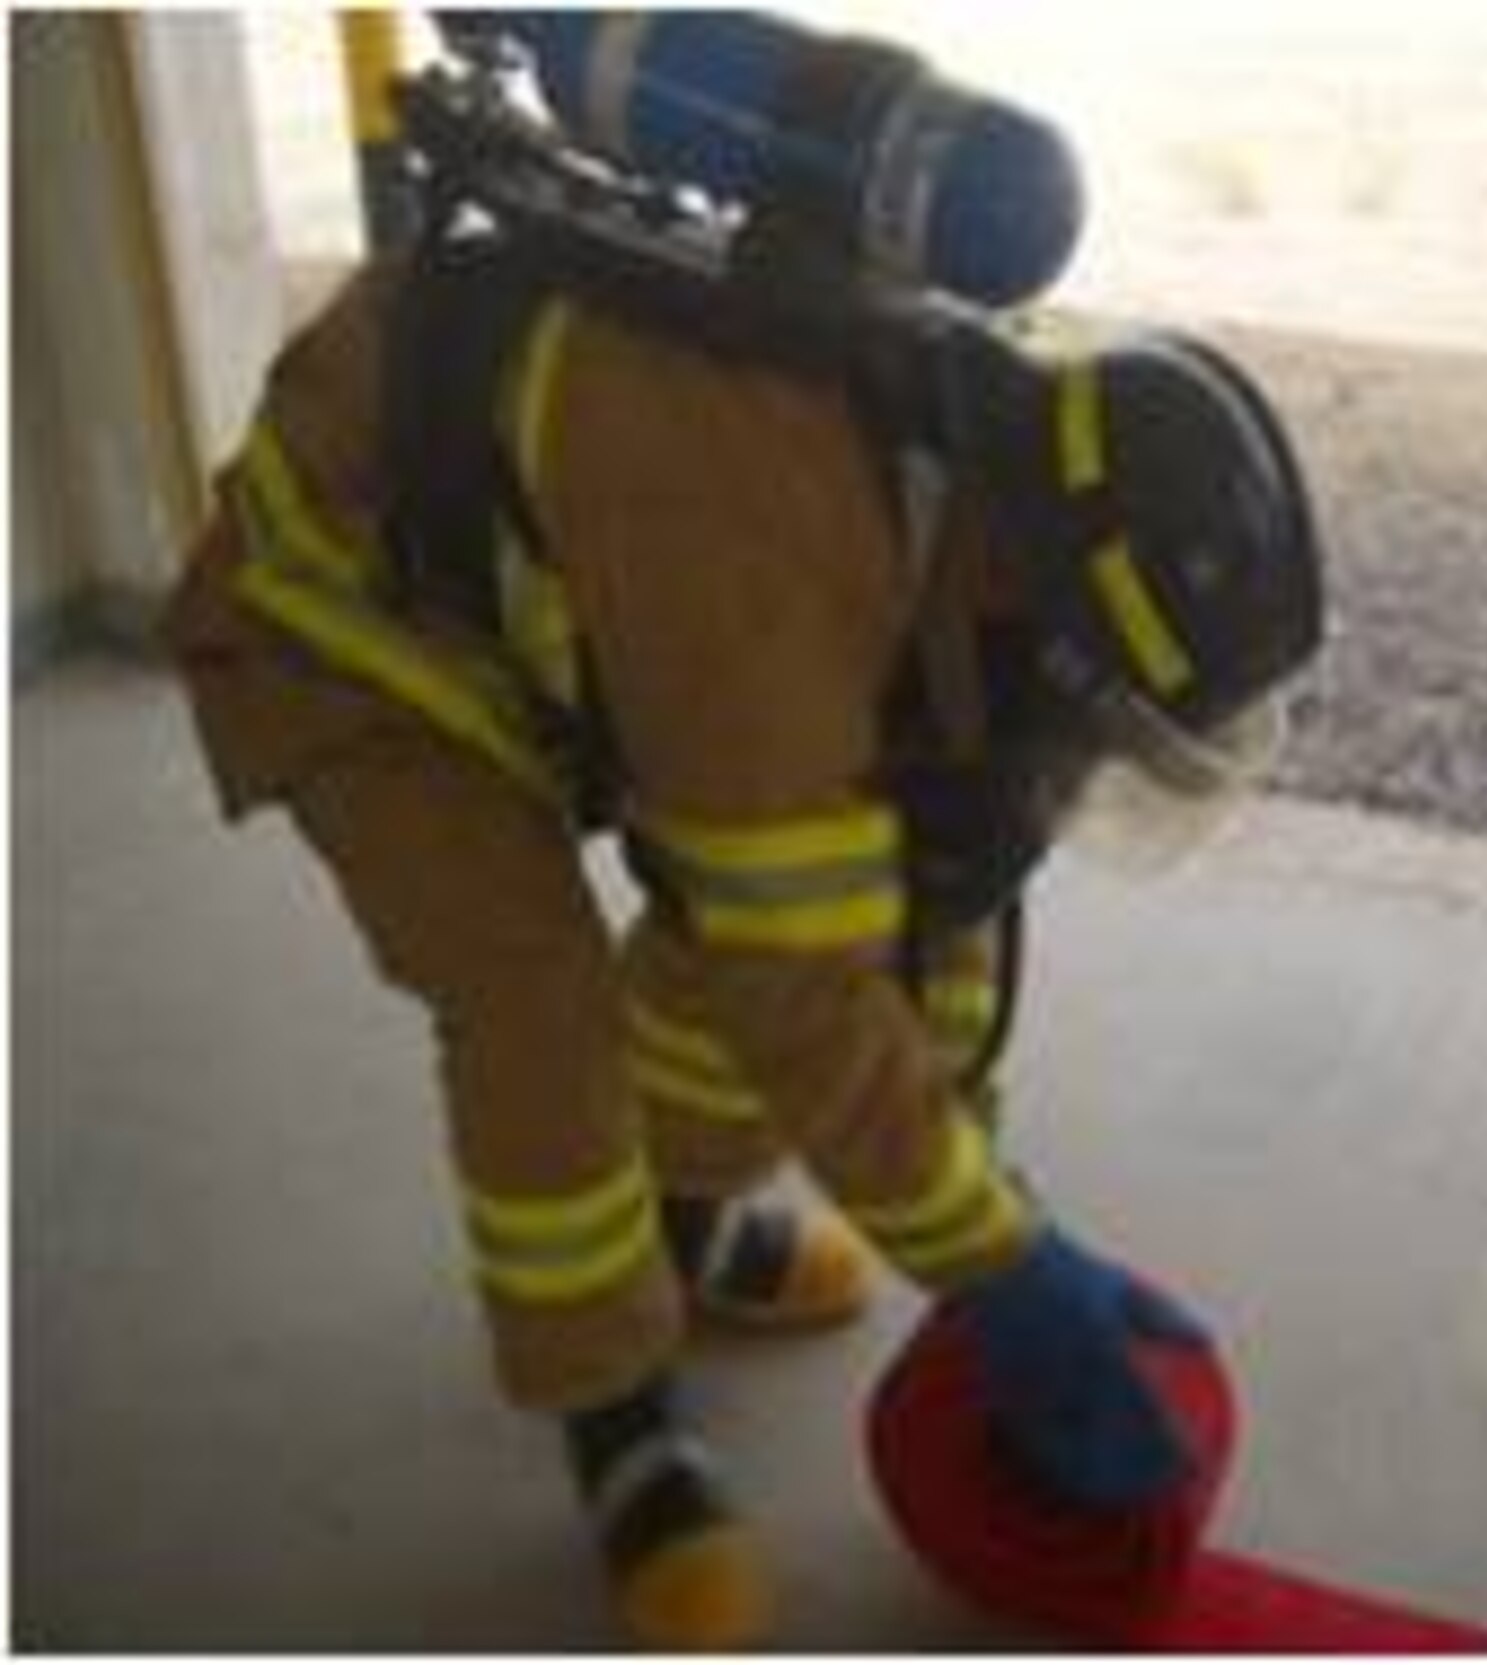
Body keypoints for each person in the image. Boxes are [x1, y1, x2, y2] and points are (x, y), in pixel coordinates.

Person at [164, 27, 1324, 1652]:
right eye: (1110, 725)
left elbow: (933, 911)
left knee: (783, 902)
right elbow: (801, 989)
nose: (1084, 768)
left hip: (576, 586)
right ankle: (617, 1415)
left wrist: (997, 1210)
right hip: (345, 623)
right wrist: (1002, 1269)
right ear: (1053, 613)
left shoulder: (980, 480)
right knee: (538, 1003)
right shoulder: (769, 561)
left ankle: (684, 1226)